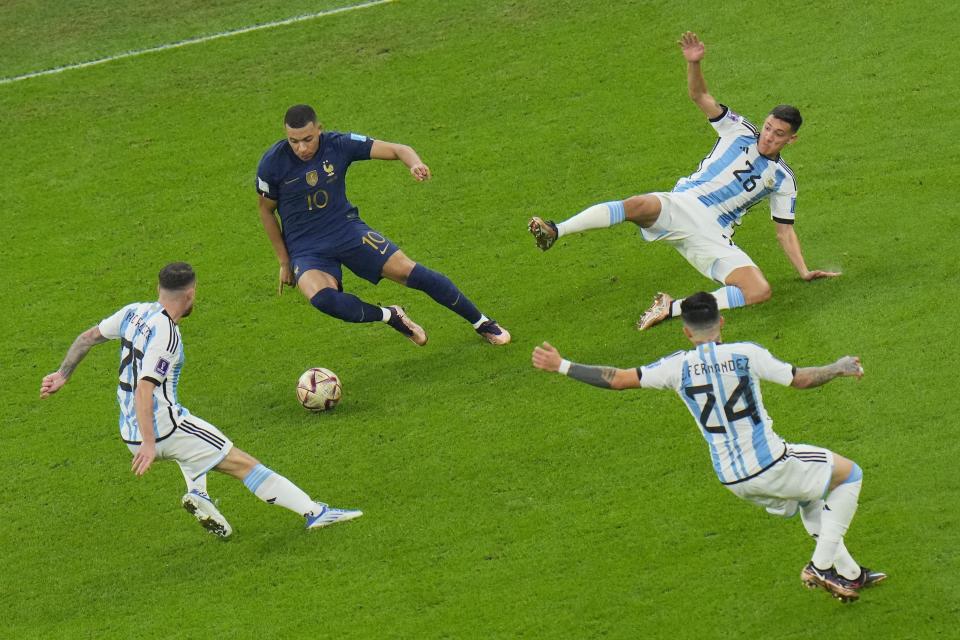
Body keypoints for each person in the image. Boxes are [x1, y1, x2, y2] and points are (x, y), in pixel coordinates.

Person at [531, 291, 885, 602]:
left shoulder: (676, 366)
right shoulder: (746, 354)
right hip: (770, 463)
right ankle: (820, 567)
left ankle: (850, 574)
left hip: (732, 479)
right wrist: (838, 368)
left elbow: (620, 379)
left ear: (686, 332)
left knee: (810, 497)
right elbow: (801, 379)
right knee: (849, 474)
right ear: (722, 323)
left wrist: (562, 365)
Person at [529, 32, 839, 331]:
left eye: (778, 134)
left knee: (758, 291)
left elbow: (784, 230)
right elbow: (699, 95)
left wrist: (804, 270)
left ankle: (670, 306)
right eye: (769, 127)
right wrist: (694, 63)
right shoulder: (740, 130)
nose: (769, 136)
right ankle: (556, 230)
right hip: (684, 203)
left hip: (713, 233)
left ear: (792, 139)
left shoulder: (784, 179)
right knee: (637, 205)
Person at [40, 262, 362, 538]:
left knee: (193, 440)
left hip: (130, 432)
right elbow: (144, 389)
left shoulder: (133, 312)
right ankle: (315, 512)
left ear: (159, 288)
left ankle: (198, 493)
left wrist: (62, 374)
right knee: (242, 463)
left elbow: (87, 338)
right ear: (190, 294)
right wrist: (152, 445)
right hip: (162, 428)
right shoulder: (166, 334)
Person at [256, 104, 510, 346]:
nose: (301, 148)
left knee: (411, 272)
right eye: (294, 141)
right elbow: (266, 211)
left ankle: (483, 322)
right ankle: (390, 316)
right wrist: (284, 261)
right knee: (324, 300)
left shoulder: (339, 144)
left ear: (319, 129)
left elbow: (399, 149)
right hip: (307, 249)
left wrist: (415, 164)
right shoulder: (272, 163)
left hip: (347, 231)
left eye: (307, 139)